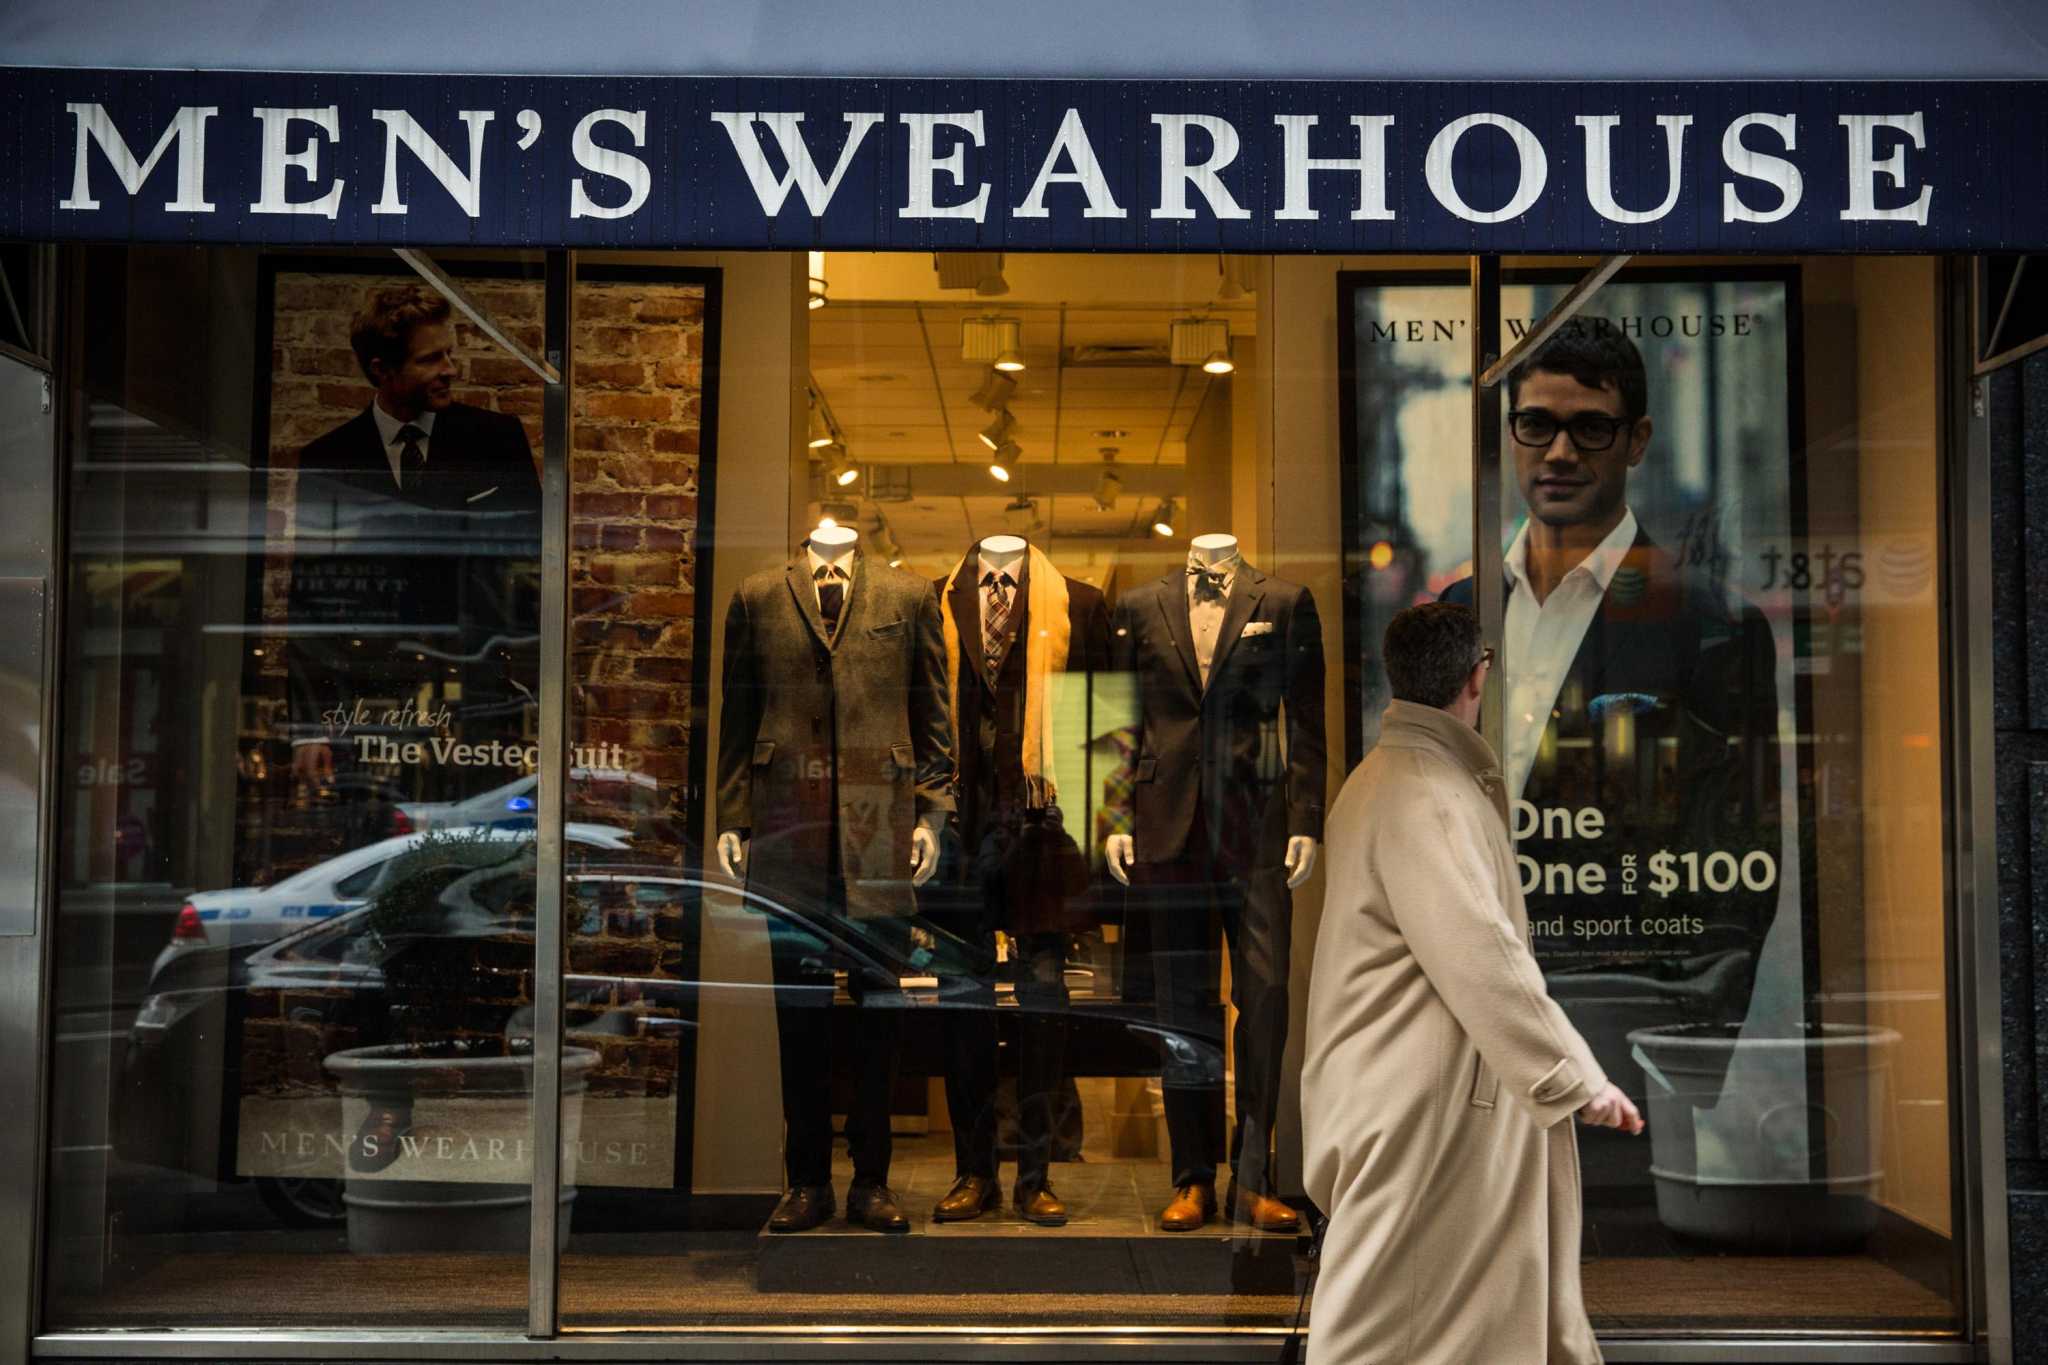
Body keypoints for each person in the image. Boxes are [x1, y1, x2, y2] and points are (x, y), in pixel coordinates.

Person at [1301, 601, 1642, 1365]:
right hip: (1429, 1108)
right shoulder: (1428, 790)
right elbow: (1482, 952)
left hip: (1413, 1094)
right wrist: (1573, 1076)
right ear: (1477, 676)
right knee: (1388, 1323)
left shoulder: (1387, 779)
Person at [1441, 320, 1781, 1085]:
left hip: (1622, 1031)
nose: (1560, 451)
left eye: (1590, 428)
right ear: (1510, 434)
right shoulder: (1462, 611)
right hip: (1467, 1023)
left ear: (1637, 440)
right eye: (1536, 424)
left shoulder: (1712, 624)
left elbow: (1742, 860)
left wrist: (1685, 1054)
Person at [285, 284, 542, 791]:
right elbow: (310, 597)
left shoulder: (496, 440)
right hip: (371, 706)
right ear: (382, 369)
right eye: (430, 359)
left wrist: (539, 696)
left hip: (481, 700)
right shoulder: (330, 458)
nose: (450, 369)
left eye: (449, 353)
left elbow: (535, 570)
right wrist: (308, 727)